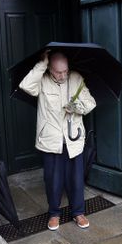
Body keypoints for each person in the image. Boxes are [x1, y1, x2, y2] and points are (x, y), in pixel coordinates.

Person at [19, 50, 96, 230]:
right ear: (50, 69)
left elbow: (91, 103)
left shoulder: (76, 78)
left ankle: (78, 212)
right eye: (58, 72)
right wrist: (42, 64)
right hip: (50, 140)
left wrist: (76, 107)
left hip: (73, 139)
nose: (62, 75)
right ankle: (54, 213)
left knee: (76, 179)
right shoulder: (42, 79)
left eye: (65, 71)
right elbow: (25, 86)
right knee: (53, 180)